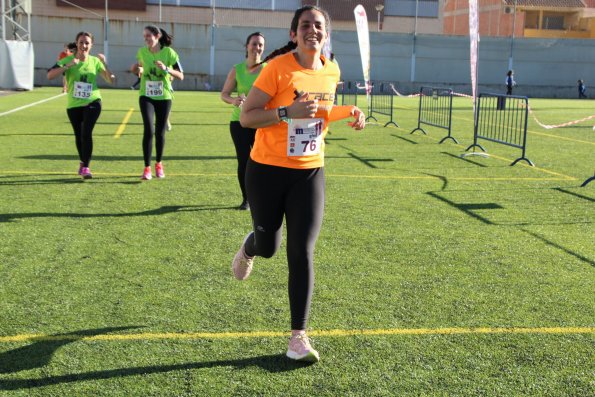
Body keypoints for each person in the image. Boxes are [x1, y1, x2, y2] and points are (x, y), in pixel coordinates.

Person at [232, 5, 366, 362]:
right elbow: (247, 117)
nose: (312, 30)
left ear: (326, 33)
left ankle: (298, 337)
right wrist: (284, 113)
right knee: (270, 246)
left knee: (302, 251)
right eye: (305, 25)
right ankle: (250, 246)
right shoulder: (278, 69)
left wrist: (349, 112)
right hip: (267, 170)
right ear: (294, 34)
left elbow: (320, 112)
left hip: (309, 171)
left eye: (318, 25)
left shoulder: (332, 69)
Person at [47, 32, 114, 179]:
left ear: (91, 45)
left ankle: (86, 167)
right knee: (79, 135)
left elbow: (111, 80)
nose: (84, 45)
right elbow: (50, 75)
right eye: (81, 42)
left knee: (86, 132)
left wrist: (105, 64)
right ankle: (83, 162)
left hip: (93, 102)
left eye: (87, 43)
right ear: (76, 43)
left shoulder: (95, 61)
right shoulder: (68, 59)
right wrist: (68, 66)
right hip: (74, 104)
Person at [220, 32, 267, 210]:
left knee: (262, 161)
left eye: (261, 45)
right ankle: (246, 199)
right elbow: (224, 94)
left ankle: (262, 196)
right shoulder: (237, 69)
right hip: (238, 122)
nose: (257, 48)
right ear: (247, 46)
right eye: (254, 44)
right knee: (244, 161)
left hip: (261, 122)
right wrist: (233, 101)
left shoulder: (268, 69)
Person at [130, 25, 184, 180]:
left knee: (160, 131)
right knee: (148, 129)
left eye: (148, 35)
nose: (146, 38)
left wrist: (166, 68)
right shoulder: (142, 52)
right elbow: (140, 67)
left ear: (157, 36)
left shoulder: (169, 53)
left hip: (164, 96)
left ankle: (158, 164)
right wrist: (136, 69)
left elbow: (181, 75)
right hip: (146, 95)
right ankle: (147, 168)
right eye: (144, 36)